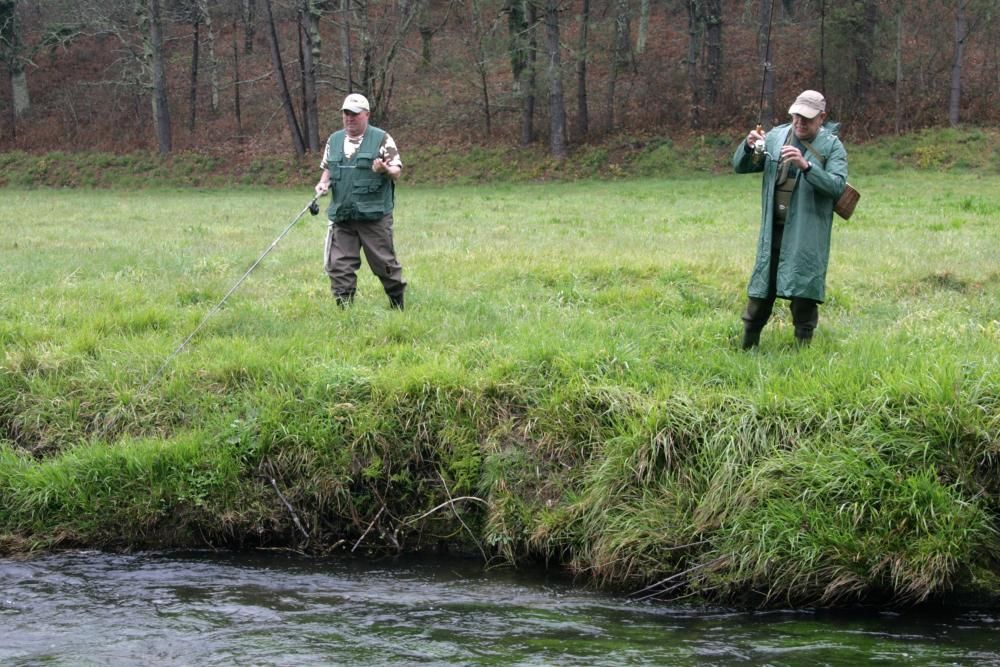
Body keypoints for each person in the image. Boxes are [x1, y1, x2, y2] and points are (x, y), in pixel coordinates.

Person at [733, 89, 848, 349]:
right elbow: (744, 166)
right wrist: (750, 145)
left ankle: (802, 351)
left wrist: (807, 167)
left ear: (822, 117)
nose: (799, 122)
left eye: (807, 118)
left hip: (806, 234)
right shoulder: (774, 137)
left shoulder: (832, 146)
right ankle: (748, 347)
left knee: (803, 291)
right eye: (796, 116)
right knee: (761, 290)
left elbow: (837, 186)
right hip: (772, 231)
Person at [315, 93, 406, 309]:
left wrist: (384, 169)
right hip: (342, 215)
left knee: (384, 264)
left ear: (366, 115)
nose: (349, 118)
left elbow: (397, 171)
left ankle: (397, 303)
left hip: (374, 217)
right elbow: (328, 167)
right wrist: (323, 184)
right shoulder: (334, 140)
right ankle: (345, 312)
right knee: (339, 266)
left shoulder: (382, 138)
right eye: (346, 113)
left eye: (355, 114)